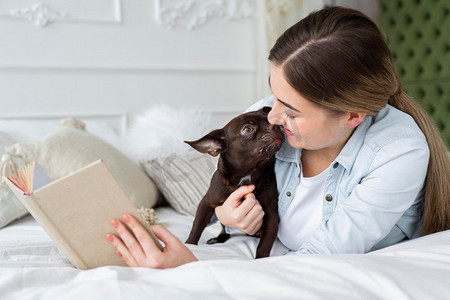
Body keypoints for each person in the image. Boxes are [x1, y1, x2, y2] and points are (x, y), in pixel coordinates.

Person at [106, 6, 450, 268]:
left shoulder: (398, 153)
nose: (271, 116)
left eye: (291, 110)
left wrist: (193, 268)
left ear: (352, 116)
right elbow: (227, 190)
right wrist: (228, 217)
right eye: (274, 96)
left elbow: (321, 260)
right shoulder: (272, 119)